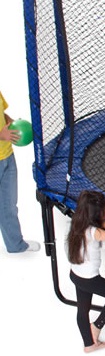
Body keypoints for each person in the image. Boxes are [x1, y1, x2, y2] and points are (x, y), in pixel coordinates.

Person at [66, 190, 105, 353]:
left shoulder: (75, 222)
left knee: (82, 309)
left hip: (75, 274)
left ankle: (89, 345)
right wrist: (102, 222)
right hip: (88, 279)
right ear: (97, 215)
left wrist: (97, 220)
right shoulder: (94, 232)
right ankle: (96, 327)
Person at [0, 90, 40, 253]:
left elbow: (3, 114)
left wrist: (12, 124)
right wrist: (2, 135)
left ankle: (15, 245)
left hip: (7, 156)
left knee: (8, 205)